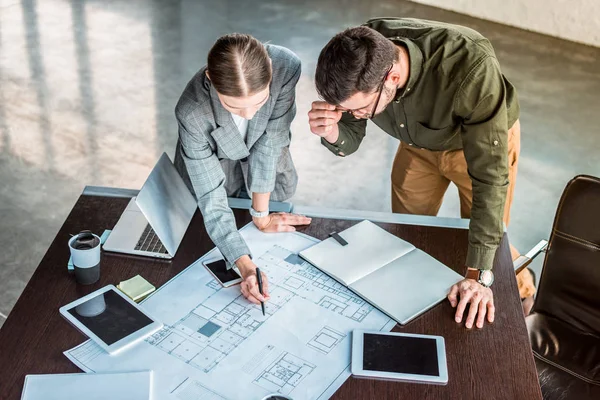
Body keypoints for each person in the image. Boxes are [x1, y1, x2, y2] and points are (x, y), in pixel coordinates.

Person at [308, 18, 536, 329]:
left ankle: (524, 287)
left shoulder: (473, 68)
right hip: (417, 141)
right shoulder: (362, 52)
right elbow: (351, 136)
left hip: (479, 146)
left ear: (393, 77)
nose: (355, 116)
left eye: (361, 110)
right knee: (409, 230)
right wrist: (334, 131)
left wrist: (477, 278)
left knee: (485, 239)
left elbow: (490, 181)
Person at [175, 33, 311, 305]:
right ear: (212, 80)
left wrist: (260, 214)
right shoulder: (191, 111)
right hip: (215, 170)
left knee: (272, 205)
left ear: (270, 71)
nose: (249, 115)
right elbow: (212, 197)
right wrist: (246, 266)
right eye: (233, 106)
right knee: (205, 231)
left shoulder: (286, 66)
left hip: (267, 164)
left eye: (258, 103)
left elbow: (271, 139)